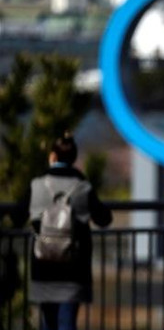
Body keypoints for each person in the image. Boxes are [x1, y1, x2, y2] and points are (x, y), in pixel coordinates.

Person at [22, 133, 112, 330]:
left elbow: (17, 216)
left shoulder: (37, 185)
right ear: (74, 158)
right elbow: (104, 219)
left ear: (53, 156)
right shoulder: (83, 187)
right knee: (67, 322)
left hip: (43, 265)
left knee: (48, 323)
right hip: (74, 269)